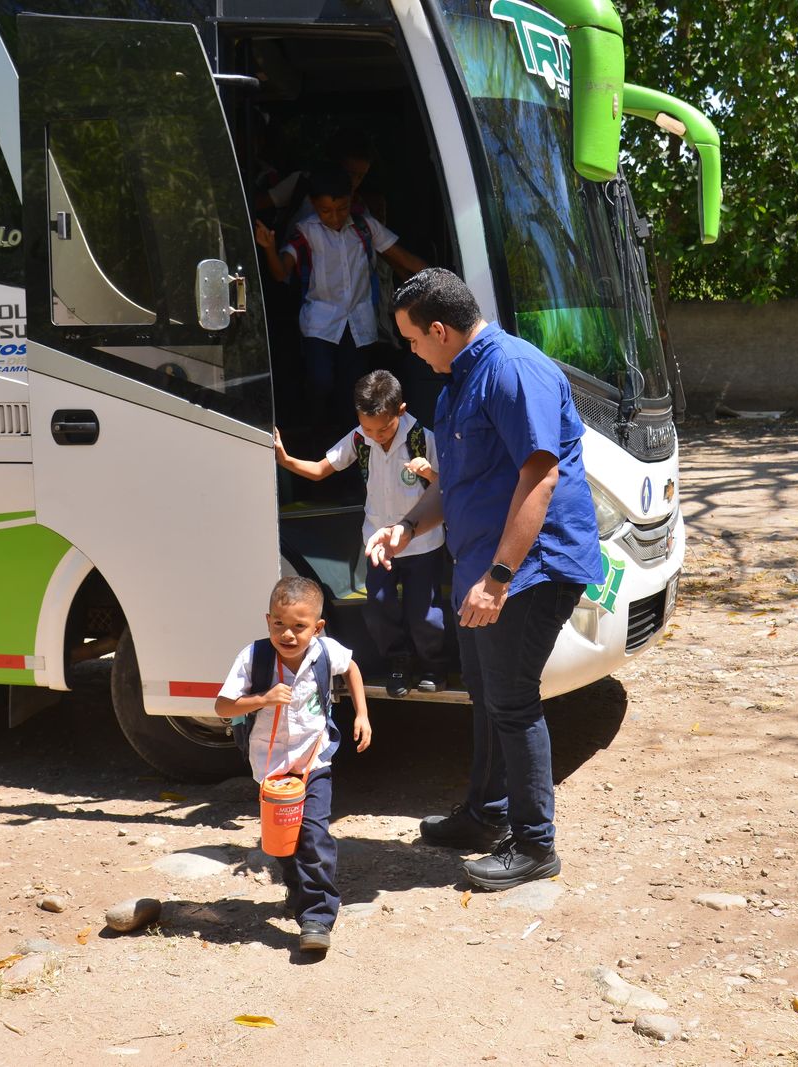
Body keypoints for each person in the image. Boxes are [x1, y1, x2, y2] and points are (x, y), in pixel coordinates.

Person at [365, 268, 603, 892]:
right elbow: (455, 486)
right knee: (488, 691)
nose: (412, 351)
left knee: (514, 699)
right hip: (484, 568)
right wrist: (407, 529)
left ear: (440, 330)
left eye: (413, 339)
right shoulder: (456, 383)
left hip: (530, 569)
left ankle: (534, 845)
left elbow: (541, 476)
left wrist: (497, 579)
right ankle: (484, 816)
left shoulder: (510, 369)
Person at [213, 576, 372, 953]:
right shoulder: (253, 657)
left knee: (314, 834)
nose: (287, 634)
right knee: (283, 842)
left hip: (313, 759)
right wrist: (262, 699)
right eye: (280, 625)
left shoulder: (324, 651)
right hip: (271, 768)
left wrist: (362, 714)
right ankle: (298, 890)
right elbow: (223, 707)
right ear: (268, 620)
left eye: (298, 627)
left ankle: (317, 915)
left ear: (316, 628)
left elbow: (351, 667)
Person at [273, 370, 448, 698]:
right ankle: (399, 661)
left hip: (422, 542)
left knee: (424, 612)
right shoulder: (360, 438)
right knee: (378, 605)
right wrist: (285, 459)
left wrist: (429, 471)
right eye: (368, 428)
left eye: (383, 429)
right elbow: (321, 469)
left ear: (401, 410)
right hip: (377, 543)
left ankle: (433, 665)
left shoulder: (423, 438)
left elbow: (447, 486)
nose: (376, 436)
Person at [253, 166, 428, 439]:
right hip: (319, 324)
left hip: (358, 324)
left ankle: (351, 447)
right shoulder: (305, 232)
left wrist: (440, 281)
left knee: (354, 389)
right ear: (313, 205)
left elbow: (404, 259)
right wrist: (268, 249)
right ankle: (315, 434)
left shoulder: (364, 226)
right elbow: (281, 273)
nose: (334, 217)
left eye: (342, 208)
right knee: (320, 381)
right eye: (326, 211)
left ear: (352, 200)